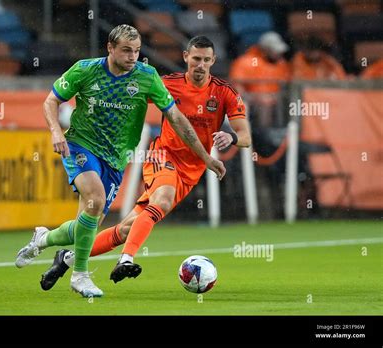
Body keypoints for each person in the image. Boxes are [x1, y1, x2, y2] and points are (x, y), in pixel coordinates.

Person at [14, 26, 226, 298]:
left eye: (137, 51)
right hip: (81, 145)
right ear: (110, 48)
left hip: (115, 159)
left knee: (85, 225)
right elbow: (51, 101)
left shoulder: (146, 77)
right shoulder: (85, 70)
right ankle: (80, 275)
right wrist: (56, 132)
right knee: (96, 200)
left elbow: (176, 119)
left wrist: (205, 157)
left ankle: (42, 239)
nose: (133, 56)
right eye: (126, 50)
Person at [229, 31, 290, 127]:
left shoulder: (282, 63)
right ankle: (264, 133)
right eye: (275, 51)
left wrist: (276, 97)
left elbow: (286, 85)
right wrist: (255, 97)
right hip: (252, 101)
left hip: (278, 100)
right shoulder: (245, 62)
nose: (279, 54)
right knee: (264, 103)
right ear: (265, 49)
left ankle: (287, 134)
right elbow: (237, 88)